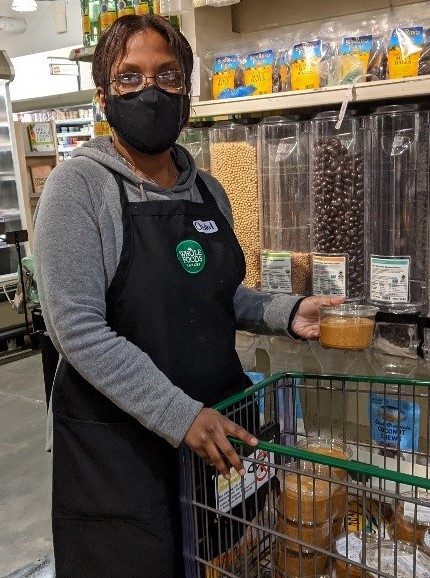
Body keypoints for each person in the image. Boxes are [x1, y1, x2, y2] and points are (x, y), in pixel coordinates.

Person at [34, 14, 342, 578]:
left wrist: (286, 311)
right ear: (104, 95)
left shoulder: (208, 190)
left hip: (211, 438)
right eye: (129, 78)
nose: (149, 91)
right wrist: (180, 416)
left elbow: (214, 295)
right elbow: (76, 329)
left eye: (167, 76)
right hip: (122, 455)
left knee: (216, 560)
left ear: (187, 92)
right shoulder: (78, 189)